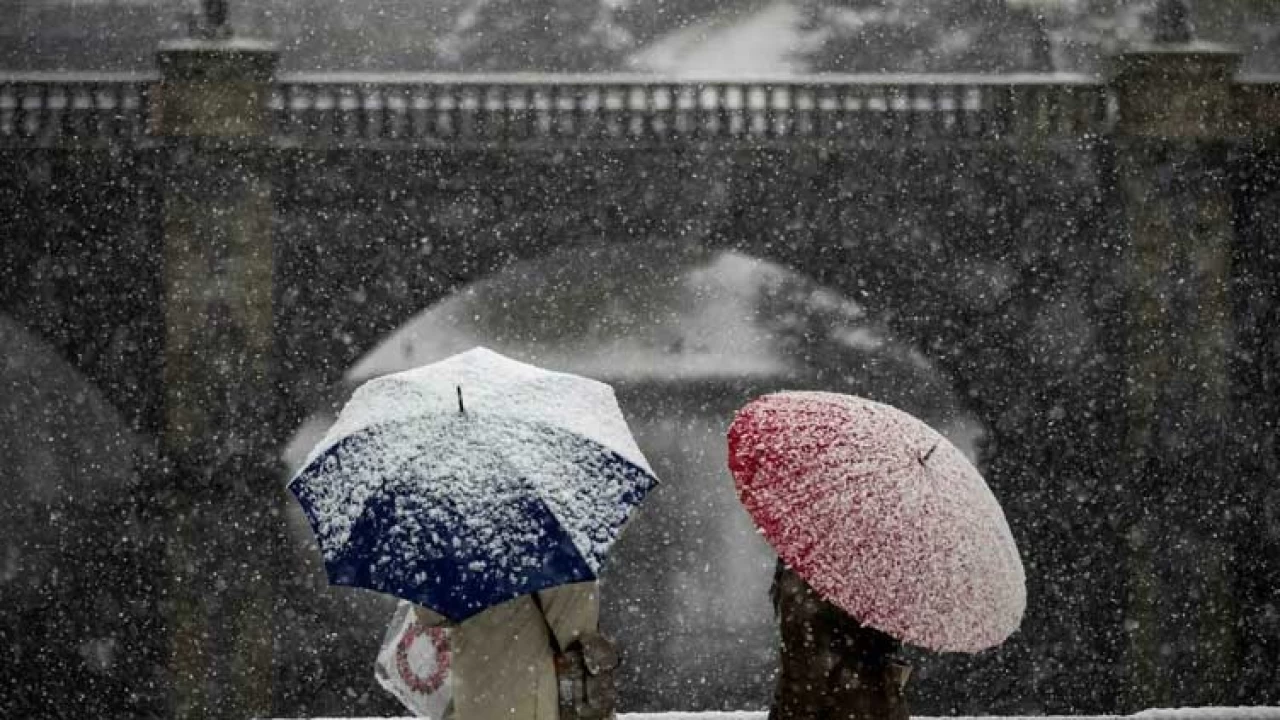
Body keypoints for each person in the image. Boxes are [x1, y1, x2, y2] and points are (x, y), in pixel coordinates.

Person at [413, 581, 619, 720]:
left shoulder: (458, 550)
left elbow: (429, 614)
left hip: (475, 691)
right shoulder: (561, 555)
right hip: (536, 693)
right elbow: (577, 636)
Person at [768, 560, 912, 720]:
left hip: (840, 698)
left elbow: (804, 669)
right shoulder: (877, 571)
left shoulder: (806, 572)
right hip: (871, 699)